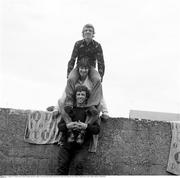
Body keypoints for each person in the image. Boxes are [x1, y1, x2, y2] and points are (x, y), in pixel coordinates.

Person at [65, 24, 109, 120]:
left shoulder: (97, 45)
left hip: (91, 67)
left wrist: (101, 75)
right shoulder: (78, 44)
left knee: (97, 80)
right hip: (79, 67)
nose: (88, 32)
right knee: (71, 78)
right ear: (83, 33)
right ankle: (69, 102)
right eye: (86, 30)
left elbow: (101, 61)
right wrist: (69, 72)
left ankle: (92, 104)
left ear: (93, 34)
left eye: (90, 30)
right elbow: (72, 58)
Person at [57, 85, 100, 175]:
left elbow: (97, 130)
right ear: (75, 96)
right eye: (78, 94)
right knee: (62, 166)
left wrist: (86, 126)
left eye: (82, 95)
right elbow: (60, 126)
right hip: (66, 144)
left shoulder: (91, 112)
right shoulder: (69, 109)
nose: (80, 96)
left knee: (78, 165)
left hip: (82, 146)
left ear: (86, 96)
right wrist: (68, 126)